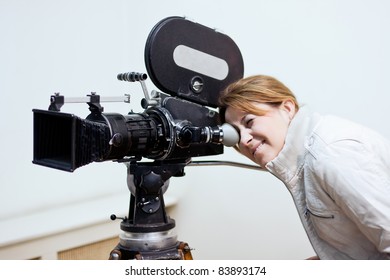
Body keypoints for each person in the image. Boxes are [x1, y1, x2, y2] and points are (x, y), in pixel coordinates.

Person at [218, 74, 390, 260]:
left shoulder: (329, 155)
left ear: (287, 108)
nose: (244, 140)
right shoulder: (303, 159)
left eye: (249, 122)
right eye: (236, 135)